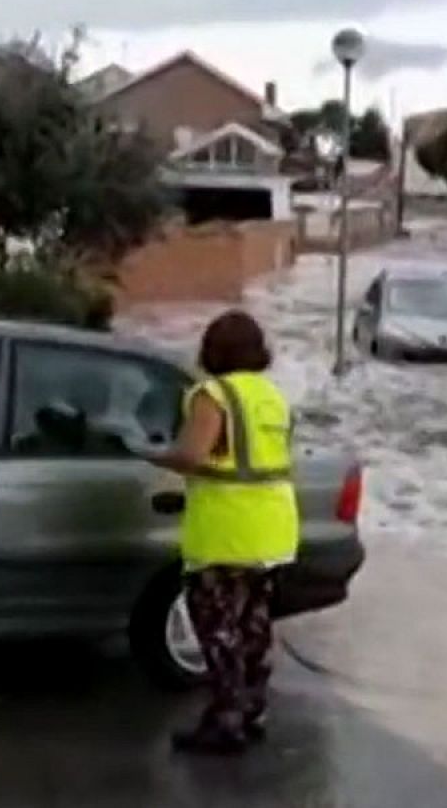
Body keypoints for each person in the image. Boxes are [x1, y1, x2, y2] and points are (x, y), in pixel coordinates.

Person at [140, 310, 300, 755]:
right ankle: (250, 712)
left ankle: (224, 722)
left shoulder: (214, 394)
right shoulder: (272, 396)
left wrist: (152, 456)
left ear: (212, 351)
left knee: (217, 628)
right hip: (274, 527)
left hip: (227, 531)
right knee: (253, 628)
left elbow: (191, 455)